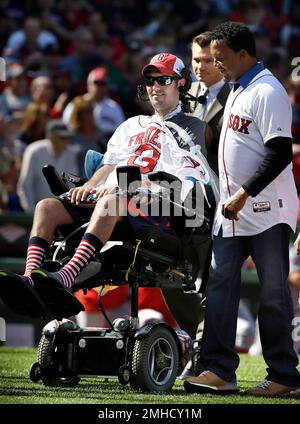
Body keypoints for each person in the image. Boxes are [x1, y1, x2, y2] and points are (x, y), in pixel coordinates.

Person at [0, 53, 216, 322]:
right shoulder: (131, 124)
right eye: (150, 80)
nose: (155, 86)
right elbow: (109, 164)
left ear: (181, 84)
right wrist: (89, 186)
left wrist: (141, 185)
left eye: (164, 80)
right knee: (47, 207)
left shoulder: (194, 127)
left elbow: (191, 177)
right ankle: (31, 278)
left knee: (112, 197)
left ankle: (68, 275)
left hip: (156, 206)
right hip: (114, 197)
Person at [184, 22, 300, 397]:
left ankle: (283, 375)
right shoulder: (237, 87)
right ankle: (219, 370)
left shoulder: (267, 90)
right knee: (219, 290)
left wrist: (244, 194)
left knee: (272, 295)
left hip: (265, 210)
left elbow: (280, 153)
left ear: (243, 55)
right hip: (232, 213)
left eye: (221, 58)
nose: (217, 65)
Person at [188, 31, 230, 174]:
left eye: (208, 60)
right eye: (197, 60)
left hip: (223, 182)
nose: (200, 67)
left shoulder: (237, 95)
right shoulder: (181, 93)